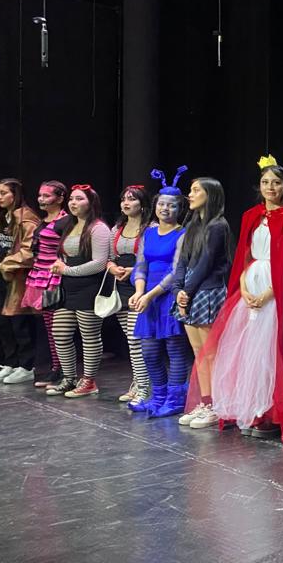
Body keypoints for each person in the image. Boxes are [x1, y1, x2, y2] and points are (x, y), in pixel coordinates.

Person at [182, 156, 283, 443]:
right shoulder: (251, 216)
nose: (270, 188)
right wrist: (244, 289)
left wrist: (270, 293)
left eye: (276, 183)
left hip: (275, 293)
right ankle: (253, 411)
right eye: (265, 182)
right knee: (248, 354)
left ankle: (272, 414)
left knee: (271, 353)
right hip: (251, 287)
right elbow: (244, 257)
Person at [129, 169, 191, 416]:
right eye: (162, 204)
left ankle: (175, 401)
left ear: (179, 209)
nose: (166, 209)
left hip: (167, 296)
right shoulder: (149, 232)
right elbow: (140, 263)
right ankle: (159, 396)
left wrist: (150, 295)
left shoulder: (182, 234)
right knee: (150, 351)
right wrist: (138, 290)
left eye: (172, 205)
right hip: (148, 298)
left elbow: (176, 272)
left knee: (175, 350)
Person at [170, 175, 231, 417]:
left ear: (210, 194)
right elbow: (183, 262)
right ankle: (206, 402)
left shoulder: (218, 226)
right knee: (198, 353)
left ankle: (217, 404)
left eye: (196, 190)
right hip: (190, 291)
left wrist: (187, 291)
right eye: (191, 190)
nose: (190, 194)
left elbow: (206, 263)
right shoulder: (193, 225)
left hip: (207, 292)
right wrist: (178, 290)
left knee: (210, 353)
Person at [46, 185, 112, 397]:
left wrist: (68, 270)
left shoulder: (98, 228)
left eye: (79, 199)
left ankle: (89, 381)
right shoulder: (69, 225)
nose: (73, 203)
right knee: (60, 333)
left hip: (89, 288)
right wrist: (60, 263)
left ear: (91, 203)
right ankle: (69, 378)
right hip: (68, 287)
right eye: (72, 199)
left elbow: (100, 263)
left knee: (89, 336)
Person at [0, 178, 41, 385]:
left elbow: (30, 250)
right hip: (1, 277)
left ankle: (26, 366)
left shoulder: (26, 218)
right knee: (1, 323)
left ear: (15, 194)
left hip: (18, 278)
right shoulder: (2, 218)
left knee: (19, 323)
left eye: (4, 193)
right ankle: (11, 363)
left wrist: (8, 263)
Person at [107, 184, 152, 403]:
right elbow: (108, 258)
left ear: (142, 204)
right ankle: (138, 381)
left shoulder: (150, 228)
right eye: (124, 198)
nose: (126, 203)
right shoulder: (117, 228)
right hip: (120, 286)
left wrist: (132, 271)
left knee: (136, 340)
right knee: (130, 339)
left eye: (132, 199)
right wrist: (112, 267)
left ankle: (144, 386)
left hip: (140, 284)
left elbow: (153, 259)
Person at [22, 181, 68, 388]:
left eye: (47, 196)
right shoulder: (43, 221)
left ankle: (62, 370)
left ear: (59, 198)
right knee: (48, 326)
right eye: (40, 195)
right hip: (39, 274)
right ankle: (55, 368)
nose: (41, 199)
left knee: (56, 327)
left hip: (54, 277)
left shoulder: (65, 221)